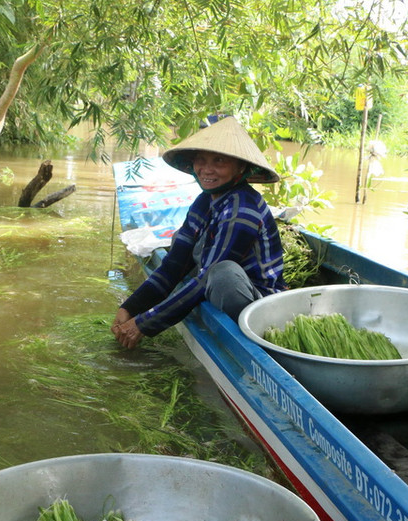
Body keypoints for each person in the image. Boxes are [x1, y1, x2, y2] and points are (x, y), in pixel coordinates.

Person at [112, 116, 286, 349]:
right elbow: (174, 265)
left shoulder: (244, 208)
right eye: (201, 160)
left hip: (257, 304)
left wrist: (144, 324)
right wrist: (129, 308)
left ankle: (248, 340)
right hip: (214, 285)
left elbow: (209, 277)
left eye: (219, 161)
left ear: (240, 167)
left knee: (222, 273)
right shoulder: (205, 201)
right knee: (178, 243)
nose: (207, 170)